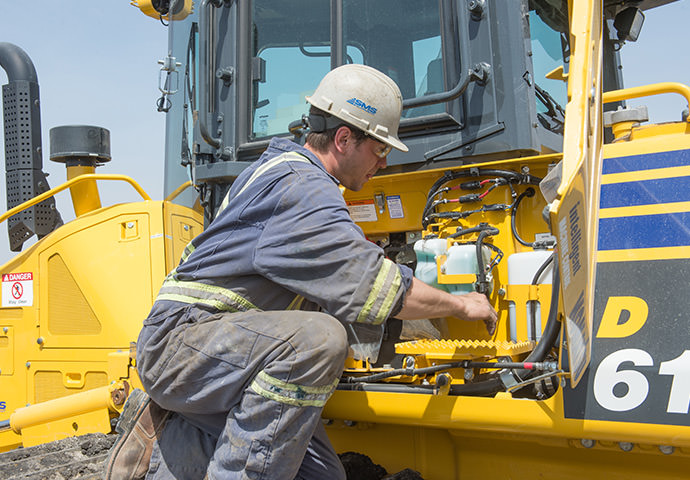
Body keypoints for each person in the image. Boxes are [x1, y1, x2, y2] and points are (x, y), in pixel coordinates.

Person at [104, 64, 497, 480]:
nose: (382, 164)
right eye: (379, 149)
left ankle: (175, 437)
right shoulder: (302, 187)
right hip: (180, 347)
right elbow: (373, 287)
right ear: (344, 139)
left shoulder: (282, 172)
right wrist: (460, 304)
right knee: (316, 339)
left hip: (216, 351)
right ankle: (177, 421)